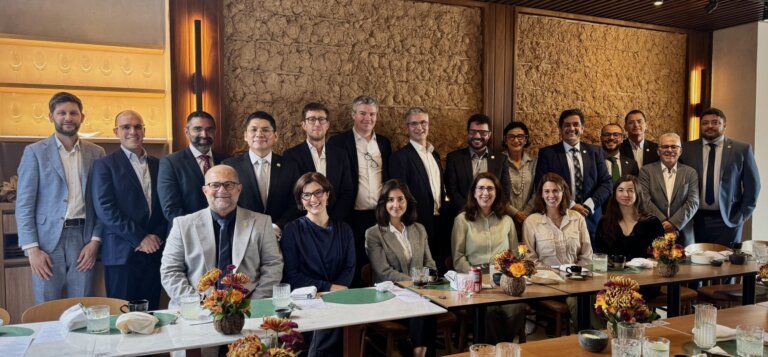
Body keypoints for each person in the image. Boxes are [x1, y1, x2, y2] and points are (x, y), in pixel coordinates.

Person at [16, 92, 105, 303]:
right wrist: (32, 250)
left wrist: (95, 242)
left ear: (81, 117)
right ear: (51, 116)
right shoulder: (35, 152)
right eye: (62, 113)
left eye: (73, 113)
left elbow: (102, 203)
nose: (68, 118)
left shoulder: (97, 152)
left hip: (84, 241)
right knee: (46, 308)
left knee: (82, 307)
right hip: (47, 244)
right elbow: (24, 206)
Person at [160, 165, 283, 304]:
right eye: (215, 185)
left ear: (239, 189)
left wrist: (253, 303)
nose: (222, 190)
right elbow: (170, 271)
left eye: (229, 185)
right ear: (205, 190)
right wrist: (198, 303)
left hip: (248, 306)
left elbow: (273, 265)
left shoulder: (262, 222)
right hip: (195, 308)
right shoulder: (182, 225)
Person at [92, 110, 167, 309]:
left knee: (151, 317)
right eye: (126, 127)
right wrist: (140, 238)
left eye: (137, 126)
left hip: (154, 252)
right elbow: (105, 208)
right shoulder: (104, 165)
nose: (133, 131)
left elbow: (166, 206)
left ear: (144, 130)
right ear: (116, 131)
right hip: (122, 255)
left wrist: (157, 236)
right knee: (122, 317)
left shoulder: (160, 165)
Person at [280, 173, 355, 357]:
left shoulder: (344, 229)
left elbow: (350, 267)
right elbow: (292, 275)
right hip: (306, 300)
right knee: (328, 323)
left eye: (318, 192)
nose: (313, 199)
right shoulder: (292, 230)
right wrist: (328, 288)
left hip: (339, 297)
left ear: (327, 194)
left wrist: (337, 291)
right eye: (306, 195)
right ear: (300, 199)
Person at [365, 179, 437, 357]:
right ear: (383, 203)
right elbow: (383, 272)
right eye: (390, 200)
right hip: (391, 296)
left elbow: (430, 264)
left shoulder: (419, 229)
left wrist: (424, 281)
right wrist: (415, 282)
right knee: (424, 306)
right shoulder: (374, 233)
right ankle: (419, 352)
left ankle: (418, 351)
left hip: (422, 292)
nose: (396, 204)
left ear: (407, 202)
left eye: (400, 199)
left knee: (429, 304)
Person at [451, 172, 524, 344]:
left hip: (503, 282)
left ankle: (501, 347)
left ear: (497, 193)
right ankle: (495, 349)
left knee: (516, 309)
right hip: (475, 282)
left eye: (490, 188)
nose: (485, 193)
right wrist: (477, 275)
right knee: (489, 311)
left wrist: (512, 273)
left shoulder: (507, 220)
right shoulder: (462, 220)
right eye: (481, 188)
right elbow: (458, 258)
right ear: (474, 193)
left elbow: (514, 254)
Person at [327, 95, 392, 287]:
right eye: (362, 113)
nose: (367, 118)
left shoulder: (384, 143)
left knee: (379, 264)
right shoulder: (338, 142)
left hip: (380, 215)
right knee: (353, 264)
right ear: (353, 115)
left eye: (372, 114)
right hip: (350, 216)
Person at [680, 108, 761, 246]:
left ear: (724, 125)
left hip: (729, 220)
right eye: (705, 123)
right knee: (697, 264)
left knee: (727, 264)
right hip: (695, 219)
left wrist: (741, 216)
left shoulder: (741, 149)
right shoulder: (686, 149)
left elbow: (753, 186)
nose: (710, 126)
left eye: (715, 122)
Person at [523, 172, 592, 330]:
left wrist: (575, 273)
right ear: (541, 194)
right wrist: (557, 275)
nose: (551, 195)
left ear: (564, 192)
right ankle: (588, 337)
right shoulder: (532, 222)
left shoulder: (577, 218)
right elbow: (530, 261)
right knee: (578, 300)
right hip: (547, 284)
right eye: (547, 191)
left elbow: (587, 255)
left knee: (596, 296)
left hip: (577, 280)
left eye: (556, 191)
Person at [534, 109, 612, 244]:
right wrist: (571, 205)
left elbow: (606, 183)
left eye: (576, 124)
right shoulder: (548, 153)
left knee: (590, 258)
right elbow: (541, 185)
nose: (571, 128)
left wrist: (588, 205)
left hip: (591, 218)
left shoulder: (595, 152)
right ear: (560, 128)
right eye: (567, 125)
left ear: (582, 128)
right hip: (560, 216)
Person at [223, 111, 301, 233]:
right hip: (241, 233)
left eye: (265, 130)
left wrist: (277, 226)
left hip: (280, 234)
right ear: (245, 135)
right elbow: (224, 202)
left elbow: (296, 203)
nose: (259, 134)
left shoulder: (290, 167)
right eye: (253, 130)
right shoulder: (229, 166)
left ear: (275, 135)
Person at [390, 107, 446, 265]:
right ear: (406, 127)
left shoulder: (434, 154)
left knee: (437, 266)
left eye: (423, 122)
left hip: (439, 220)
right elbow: (399, 194)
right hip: (416, 222)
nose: (419, 127)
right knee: (420, 269)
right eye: (414, 123)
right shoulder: (400, 157)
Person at [283, 102, 355, 221]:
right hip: (304, 222)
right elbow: (292, 194)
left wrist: (332, 220)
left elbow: (347, 191)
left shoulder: (340, 155)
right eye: (311, 119)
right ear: (303, 125)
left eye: (321, 119)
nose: (317, 124)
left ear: (327, 124)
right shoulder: (291, 156)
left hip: (336, 222)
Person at [158, 111, 226, 223]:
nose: (204, 134)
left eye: (209, 129)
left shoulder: (225, 161)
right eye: (197, 129)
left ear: (215, 132)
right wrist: (203, 229)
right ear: (186, 132)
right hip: (187, 234)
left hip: (223, 232)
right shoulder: (170, 163)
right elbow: (171, 210)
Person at [638, 133, 699, 245]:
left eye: (674, 147)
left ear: (680, 151)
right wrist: (662, 222)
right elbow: (644, 200)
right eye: (665, 146)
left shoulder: (690, 173)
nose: (669, 150)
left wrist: (674, 224)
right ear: (658, 151)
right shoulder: (646, 171)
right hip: (654, 232)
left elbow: (693, 202)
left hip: (683, 234)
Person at [445, 114, 511, 216]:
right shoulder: (454, 158)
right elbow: (451, 190)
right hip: (463, 215)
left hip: (492, 216)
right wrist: (469, 210)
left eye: (483, 132)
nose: (477, 136)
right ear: (467, 133)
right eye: (473, 132)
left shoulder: (501, 159)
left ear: (489, 135)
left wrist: (489, 211)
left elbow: (505, 191)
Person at [595, 175, 664, 259]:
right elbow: (600, 254)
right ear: (615, 193)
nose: (625, 194)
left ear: (638, 193)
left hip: (646, 271)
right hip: (613, 271)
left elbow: (661, 254)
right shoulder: (604, 223)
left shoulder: (653, 223)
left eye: (630, 190)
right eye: (621, 190)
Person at [502, 121, 537, 233]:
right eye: (511, 136)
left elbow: (538, 190)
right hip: (504, 218)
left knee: (525, 249)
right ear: (505, 140)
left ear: (526, 139)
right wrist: (515, 213)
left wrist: (525, 213)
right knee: (507, 250)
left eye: (520, 136)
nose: (516, 140)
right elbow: (496, 191)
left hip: (530, 219)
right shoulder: (498, 161)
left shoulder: (534, 162)